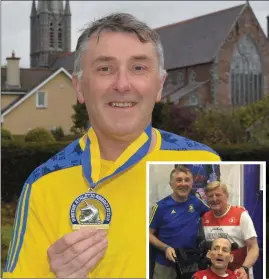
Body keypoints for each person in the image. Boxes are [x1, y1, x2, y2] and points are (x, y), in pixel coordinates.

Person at [3, 13, 220, 278]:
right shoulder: (43, 185)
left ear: (160, 85)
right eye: (105, 68)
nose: (122, 84)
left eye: (138, 68)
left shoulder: (205, 159)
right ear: (80, 87)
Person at [149, 165, 210, 279]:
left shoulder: (197, 203)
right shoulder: (160, 207)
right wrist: (165, 248)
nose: (183, 184)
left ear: (192, 184)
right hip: (165, 265)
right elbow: (148, 233)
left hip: (190, 263)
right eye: (178, 180)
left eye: (187, 180)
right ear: (171, 184)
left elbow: (214, 214)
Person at [202, 181, 259, 279]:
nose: (214, 199)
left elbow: (253, 248)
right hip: (215, 275)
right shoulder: (205, 218)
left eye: (218, 195)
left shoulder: (241, 215)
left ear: (226, 196)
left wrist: (244, 268)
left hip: (238, 274)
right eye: (211, 196)